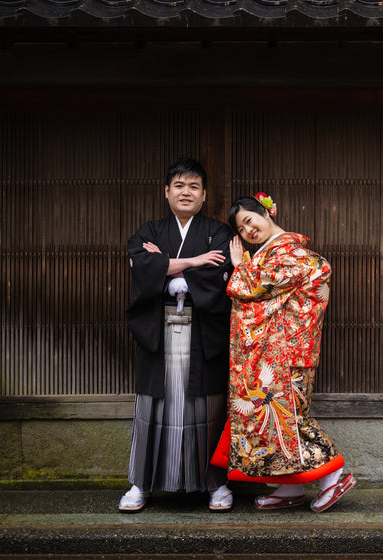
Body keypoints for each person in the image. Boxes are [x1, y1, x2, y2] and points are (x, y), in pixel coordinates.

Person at [218, 192, 355, 512]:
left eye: (249, 221)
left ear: (267, 213)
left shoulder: (290, 253)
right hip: (277, 351)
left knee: (289, 418)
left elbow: (252, 289)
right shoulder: (273, 254)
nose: (248, 231)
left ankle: (333, 476)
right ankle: (289, 487)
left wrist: (240, 266)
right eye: (241, 230)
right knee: (274, 421)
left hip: (287, 351)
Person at [120, 157, 234, 513]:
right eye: (179, 186)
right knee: (154, 406)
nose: (187, 192)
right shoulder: (149, 232)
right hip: (159, 331)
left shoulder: (220, 233)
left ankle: (215, 483)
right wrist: (195, 261)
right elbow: (142, 264)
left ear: (204, 195)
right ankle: (142, 483)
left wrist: (168, 265)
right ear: (166, 191)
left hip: (203, 333)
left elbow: (224, 270)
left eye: (194, 187)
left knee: (207, 407)